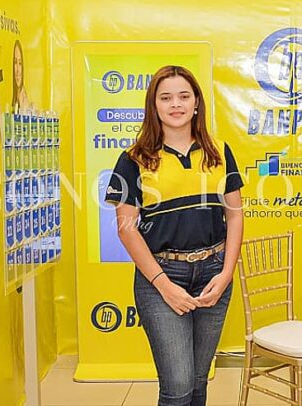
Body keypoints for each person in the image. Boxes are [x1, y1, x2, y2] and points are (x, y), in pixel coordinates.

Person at [105, 65, 244, 406]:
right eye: (165, 98)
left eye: (184, 96)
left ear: (197, 103)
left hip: (214, 273)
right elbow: (126, 229)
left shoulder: (219, 151)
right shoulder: (133, 159)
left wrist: (226, 273)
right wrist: (165, 285)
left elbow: (235, 214)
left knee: (198, 381)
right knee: (178, 386)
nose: (176, 104)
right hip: (161, 277)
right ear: (154, 106)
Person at [0, 39, 34, 116]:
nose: (18, 70)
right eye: (15, 63)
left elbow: (24, 121)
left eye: (20, 63)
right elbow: (6, 124)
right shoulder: (14, 99)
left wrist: (24, 106)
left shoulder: (24, 98)